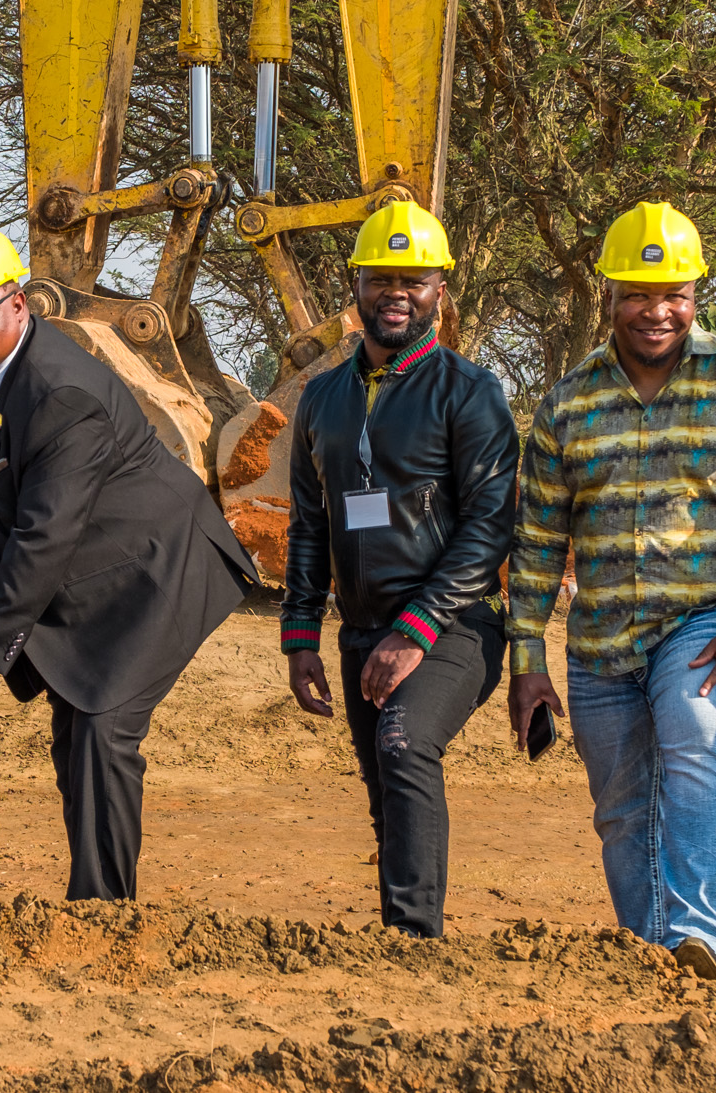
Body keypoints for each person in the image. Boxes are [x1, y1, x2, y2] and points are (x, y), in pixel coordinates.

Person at [508, 202, 716, 980]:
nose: (656, 310)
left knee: (697, 737)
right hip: (600, 638)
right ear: (608, 291)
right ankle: (650, 958)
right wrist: (525, 657)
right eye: (638, 293)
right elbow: (538, 540)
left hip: (705, 622)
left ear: (695, 291)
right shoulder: (568, 403)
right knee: (620, 807)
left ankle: (698, 936)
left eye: (673, 293)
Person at [0, 221, 258, 901]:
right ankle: (93, 902)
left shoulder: (60, 394)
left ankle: (104, 915)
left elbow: (42, 538)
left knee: (103, 730)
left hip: (158, 568)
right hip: (93, 569)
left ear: (18, 302)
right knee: (74, 731)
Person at [278, 203, 519, 937]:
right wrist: (299, 637)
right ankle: (397, 943)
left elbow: (490, 528)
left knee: (405, 743)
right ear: (355, 284)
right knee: (386, 787)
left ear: (440, 288)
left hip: (454, 624)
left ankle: (415, 939)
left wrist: (416, 629)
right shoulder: (321, 398)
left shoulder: (470, 392)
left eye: (413, 280)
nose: (396, 293)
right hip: (360, 629)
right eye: (381, 278)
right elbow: (310, 523)